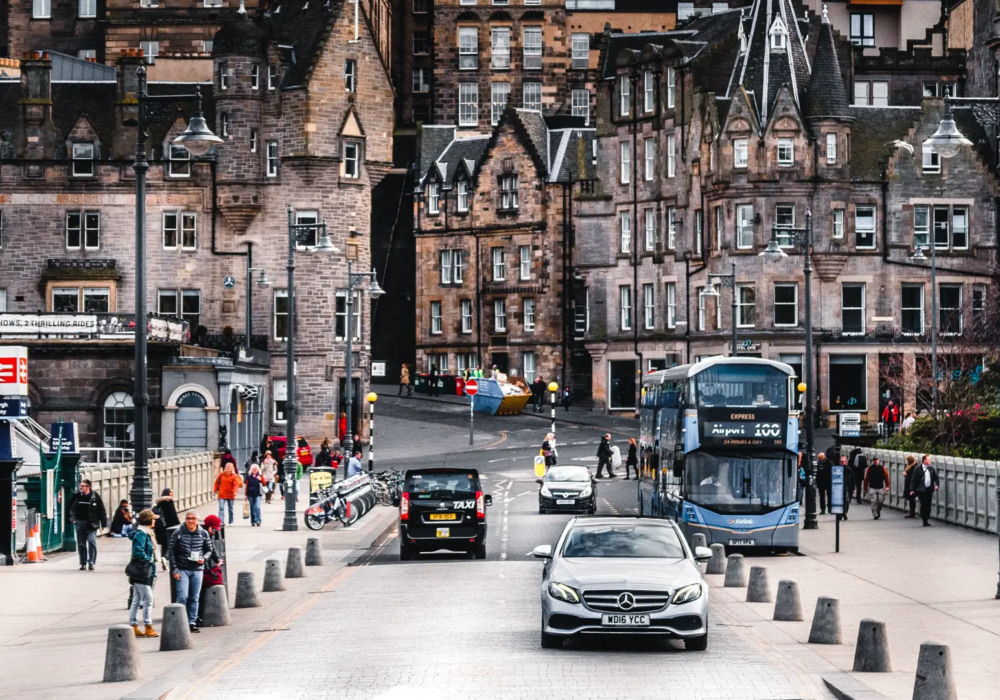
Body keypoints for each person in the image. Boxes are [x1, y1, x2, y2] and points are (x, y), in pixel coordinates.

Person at [168, 512, 216, 633]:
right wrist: (174, 569)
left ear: (198, 520)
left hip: (197, 569)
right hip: (182, 568)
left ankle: (191, 622)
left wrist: (204, 558)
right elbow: (171, 551)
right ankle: (179, 622)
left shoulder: (203, 533)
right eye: (188, 518)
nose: (190, 521)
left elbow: (209, 549)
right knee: (182, 597)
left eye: (193, 519)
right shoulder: (178, 533)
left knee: (194, 597)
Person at [127, 509, 159, 638]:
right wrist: (149, 560)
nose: (155, 520)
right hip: (142, 571)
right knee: (148, 600)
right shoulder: (142, 534)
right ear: (149, 520)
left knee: (136, 600)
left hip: (143, 570)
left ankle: (133, 625)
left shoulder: (146, 533)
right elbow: (138, 551)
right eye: (153, 518)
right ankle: (148, 626)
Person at [67, 480, 107, 571]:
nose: (81, 487)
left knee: (91, 541)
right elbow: (70, 508)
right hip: (80, 522)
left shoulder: (95, 496)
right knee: (81, 544)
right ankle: (83, 563)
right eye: (80, 486)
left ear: (88, 487)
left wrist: (103, 523)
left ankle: (91, 562)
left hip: (92, 523)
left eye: (83, 486)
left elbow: (101, 510)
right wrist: (73, 520)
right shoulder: (76, 496)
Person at [910, 454, 940, 526]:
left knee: (928, 504)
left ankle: (926, 517)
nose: (930, 461)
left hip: (929, 489)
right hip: (921, 489)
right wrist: (912, 489)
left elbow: (936, 477)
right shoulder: (918, 468)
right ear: (924, 460)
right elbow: (913, 479)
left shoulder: (931, 468)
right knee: (923, 504)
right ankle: (924, 519)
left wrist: (937, 485)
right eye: (928, 460)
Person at [152, 488, 180, 557]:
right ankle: (167, 557)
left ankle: (163, 556)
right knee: (170, 543)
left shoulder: (159, 503)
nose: (172, 494)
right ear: (167, 493)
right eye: (170, 492)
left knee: (164, 544)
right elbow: (173, 515)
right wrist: (178, 524)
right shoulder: (169, 502)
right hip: (169, 526)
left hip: (160, 527)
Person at [839, 455, 855, 520]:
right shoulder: (837, 469)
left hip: (847, 487)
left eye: (843, 462)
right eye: (841, 462)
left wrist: (853, 488)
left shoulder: (849, 469)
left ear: (846, 462)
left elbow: (853, 479)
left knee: (846, 501)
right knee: (840, 501)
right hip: (839, 487)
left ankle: (844, 512)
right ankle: (841, 513)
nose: (842, 463)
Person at [902, 454, 918, 518]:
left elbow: (911, 476)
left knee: (911, 498)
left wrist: (905, 474)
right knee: (911, 499)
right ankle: (912, 512)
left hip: (912, 485)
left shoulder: (913, 467)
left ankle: (912, 513)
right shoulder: (911, 466)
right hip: (910, 484)